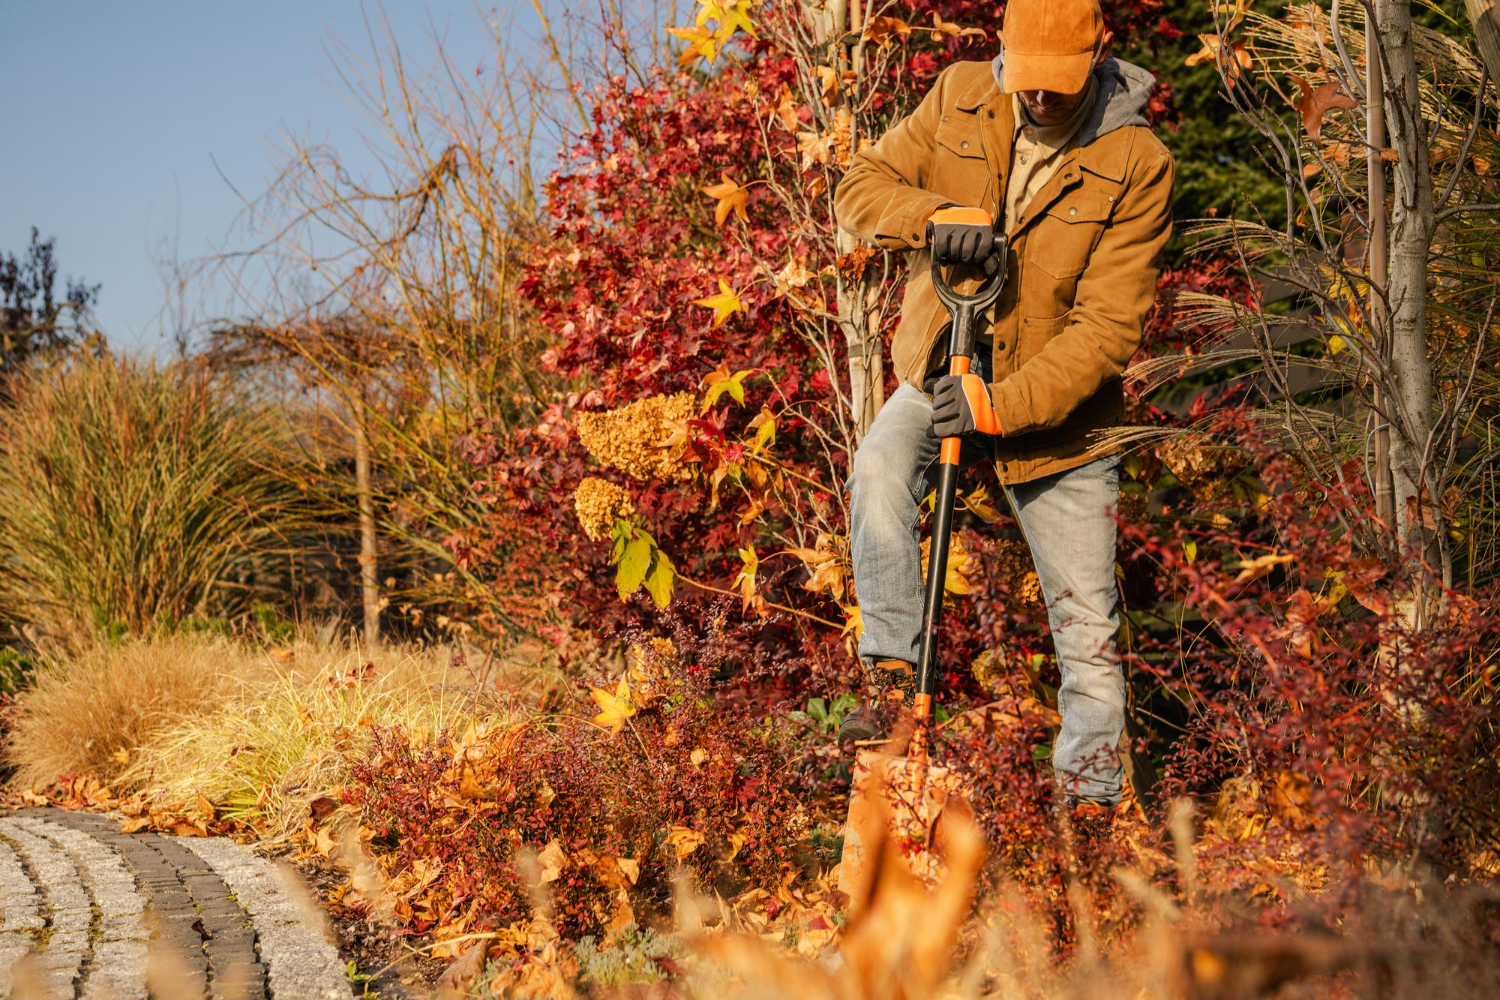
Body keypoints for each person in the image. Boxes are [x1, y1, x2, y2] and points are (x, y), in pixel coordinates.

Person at [831, 0, 1175, 806]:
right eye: (1029, 82)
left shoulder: (1136, 162)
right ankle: (891, 685)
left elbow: (1104, 332)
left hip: (1059, 421)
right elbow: (861, 185)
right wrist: (933, 215)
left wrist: (999, 406)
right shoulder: (958, 97)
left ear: (1099, 54)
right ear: (1003, 54)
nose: (1042, 99)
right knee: (879, 469)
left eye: (1060, 84)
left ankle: (1086, 816)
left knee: (1087, 629)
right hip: (938, 366)